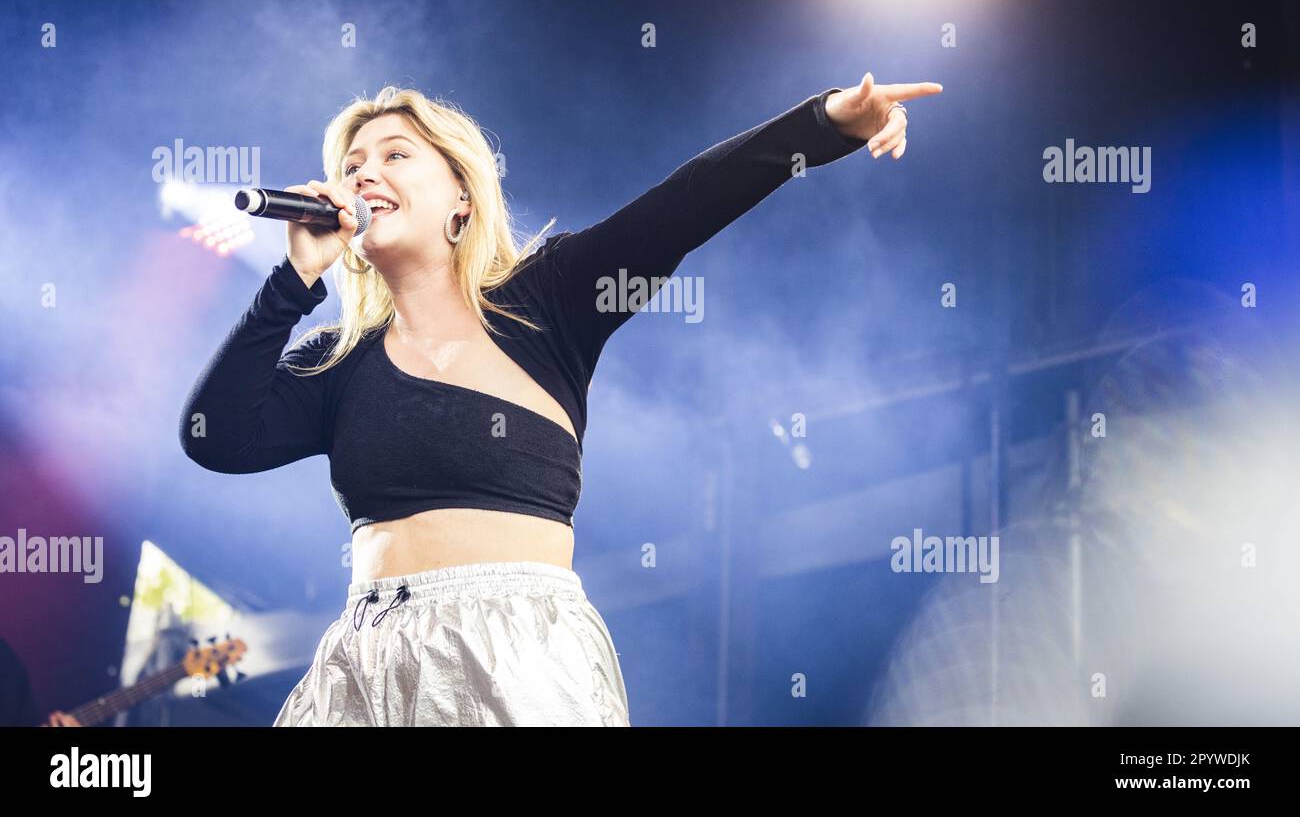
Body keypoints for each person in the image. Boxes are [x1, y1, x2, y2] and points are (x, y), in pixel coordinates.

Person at [179, 71, 941, 726]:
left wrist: (822, 121)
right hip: (363, 656)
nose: (363, 175)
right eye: (351, 166)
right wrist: (292, 281)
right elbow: (215, 437)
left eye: (395, 155)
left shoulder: (548, 303)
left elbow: (687, 203)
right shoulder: (339, 359)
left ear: (462, 199)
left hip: (513, 644)